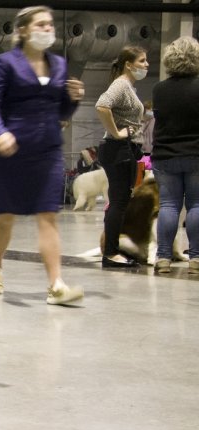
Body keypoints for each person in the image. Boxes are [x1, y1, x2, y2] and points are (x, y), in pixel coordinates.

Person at [0, 5, 84, 305]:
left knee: (48, 215)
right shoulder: (4, 63)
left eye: (50, 25)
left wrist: (73, 100)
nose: (47, 29)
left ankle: (56, 285)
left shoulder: (60, 65)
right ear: (23, 30)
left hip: (48, 151)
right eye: (41, 24)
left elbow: (61, 110)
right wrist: (0, 132)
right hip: (10, 151)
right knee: (6, 217)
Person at [95, 45, 148, 268]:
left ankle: (112, 250)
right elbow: (102, 106)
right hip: (119, 149)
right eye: (142, 61)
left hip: (125, 149)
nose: (146, 65)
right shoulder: (121, 85)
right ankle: (111, 253)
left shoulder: (129, 87)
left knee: (120, 201)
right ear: (128, 64)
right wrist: (117, 132)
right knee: (119, 202)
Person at [151, 36, 199, 275]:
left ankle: (163, 257)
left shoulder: (159, 89)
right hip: (196, 155)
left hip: (165, 154)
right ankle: (196, 259)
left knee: (168, 205)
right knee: (196, 205)